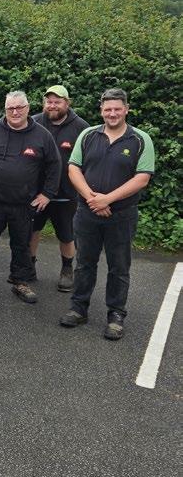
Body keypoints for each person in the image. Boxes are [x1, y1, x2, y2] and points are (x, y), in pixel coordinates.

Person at [59, 88, 155, 340]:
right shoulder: (88, 135)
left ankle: (116, 315)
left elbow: (142, 178)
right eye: (108, 109)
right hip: (87, 212)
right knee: (84, 263)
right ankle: (78, 308)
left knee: (119, 267)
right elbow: (73, 169)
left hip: (121, 215)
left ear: (126, 110)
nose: (112, 113)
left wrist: (107, 199)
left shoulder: (140, 139)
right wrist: (93, 199)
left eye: (117, 109)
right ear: (101, 110)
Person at [0, 91, 61, 304]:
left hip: (24, 204)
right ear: (5, 109)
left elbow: (55, 165)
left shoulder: (42, 135)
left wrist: (47, 194)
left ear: (28, 108)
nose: (15, 112)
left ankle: (20, 282)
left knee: (22, 245)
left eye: (19, 107)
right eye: (10, 108)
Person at [31, 85, 89, 291]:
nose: (52, 105)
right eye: (49, 101)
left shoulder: (81, 128)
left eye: (57, 102)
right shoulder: (34, 122)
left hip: (66, 194)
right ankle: (29, 265)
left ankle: (66, 269)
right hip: (36, 192)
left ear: (67, 103)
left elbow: (88, 162)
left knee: (66, 234)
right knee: (32, 230)